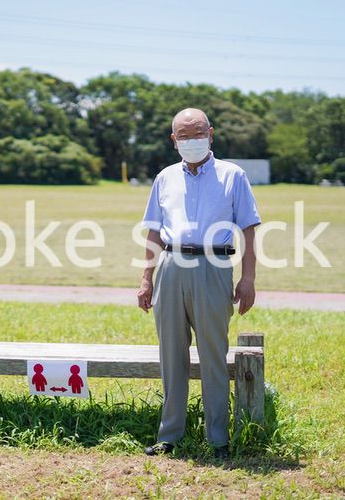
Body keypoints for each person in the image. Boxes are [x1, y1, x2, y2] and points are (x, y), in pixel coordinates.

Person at [136, 107, 261, 460]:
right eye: (184, 135)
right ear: (174, 140)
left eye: (198, 133)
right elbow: (154, 232)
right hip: (172, 266)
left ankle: (218, 438)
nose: (192, 141)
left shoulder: (232, 176)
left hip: (215, 265)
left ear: (212, 134)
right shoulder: (164, 178)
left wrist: (248, 278)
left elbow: (249, 228)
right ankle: (170, 435)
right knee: (171, 355)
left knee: (213, 356)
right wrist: (146, 278)